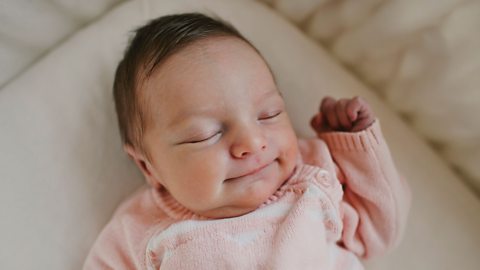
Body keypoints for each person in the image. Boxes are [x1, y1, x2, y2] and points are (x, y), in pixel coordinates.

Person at [84, 12, 411, 269]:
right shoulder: (140, 230)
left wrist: (354, 149)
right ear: (148, 166)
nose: (253, 142)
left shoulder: (313, 176)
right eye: (206, 134)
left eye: (269, 114)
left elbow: (380, 233)